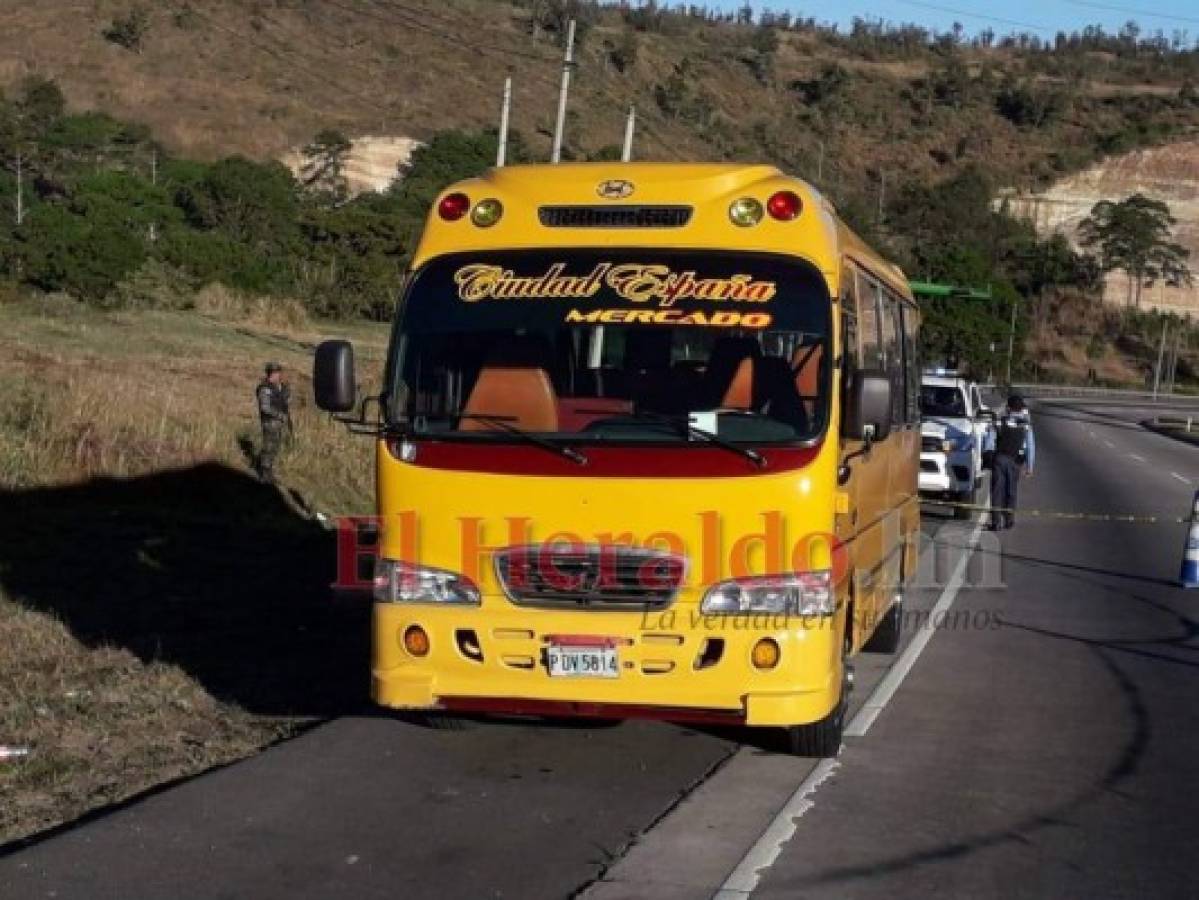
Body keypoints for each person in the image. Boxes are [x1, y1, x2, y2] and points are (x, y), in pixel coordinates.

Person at [989, 394, 1035, 530]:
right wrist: (1030, 467)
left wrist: (987, 458)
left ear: (1008, 408)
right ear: (1021, 409)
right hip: (1015, 461)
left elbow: (990, 442)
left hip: (999, 459)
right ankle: (1009, 519)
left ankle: (996, 522)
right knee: (1011, 490)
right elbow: (1030, 446)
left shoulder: (999, 422)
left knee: (997, 490)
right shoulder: (1026, 426)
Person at [256, 362, 291, 484]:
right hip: (269, 422)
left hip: (278, 422)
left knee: (275, 448)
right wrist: (279, 415)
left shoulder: (279, 387)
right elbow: (265, 407)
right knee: (268, 447)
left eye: (279, 373)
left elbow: (284, 401)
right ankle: (264, 473)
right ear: (271, 374)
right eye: (276, 373)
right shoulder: (265, 389)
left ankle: (269, 472)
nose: (278, 375)